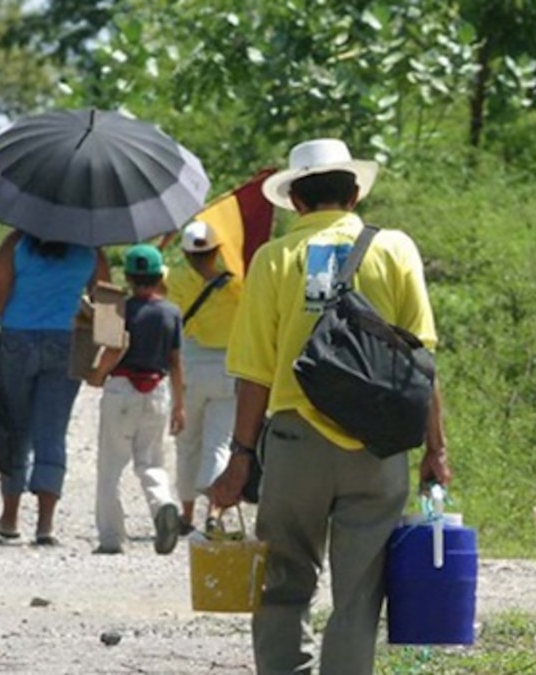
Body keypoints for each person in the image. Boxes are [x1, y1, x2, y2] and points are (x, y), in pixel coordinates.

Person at [209, 138, 452, 675]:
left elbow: (254, 373)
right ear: (355, 193)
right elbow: (423, 361)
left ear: (294, 200)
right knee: (360, 592)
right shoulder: (395, 249)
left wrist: (241, 456)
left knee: (283, 580)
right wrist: (436, 449)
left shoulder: (273, 260)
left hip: (296, 445)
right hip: (378, 443)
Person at [0, 231, 109, 546]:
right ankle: (45, 526)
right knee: (53, 430)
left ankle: (10, 518)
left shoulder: (15, 243)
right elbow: (106, 300)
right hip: (67, 342)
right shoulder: (91, 248)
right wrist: (103, 359)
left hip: (17, 339)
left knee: (16, 428)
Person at [87, 244, 185, 555]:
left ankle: (112, 538)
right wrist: (179, 405)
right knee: (151, 461)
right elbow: (176, 362)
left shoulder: (117, 309)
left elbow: (114, 350)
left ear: (128, 277)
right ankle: (164, 504)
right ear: (159, 277)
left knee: (111, 465)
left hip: (121, 388)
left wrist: (98, 374)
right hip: (157, 390)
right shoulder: (171, 312)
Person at [165, 220, 242, 534]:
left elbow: (145, 269)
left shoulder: (174, 279)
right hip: (228, 367)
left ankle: (186, 514)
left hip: (190, 365)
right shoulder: (238, 284)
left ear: (184, 253)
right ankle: (215, 512)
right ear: (218, 250)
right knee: (219, 444)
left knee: (187, 444)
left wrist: (163, 240)